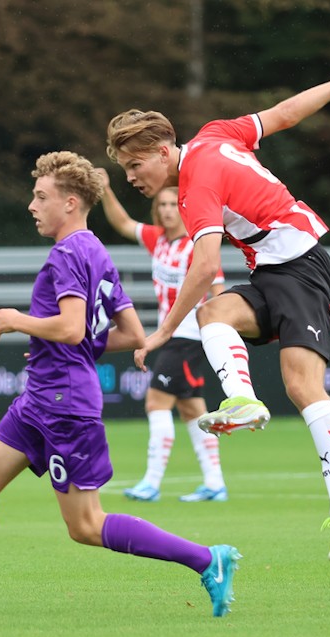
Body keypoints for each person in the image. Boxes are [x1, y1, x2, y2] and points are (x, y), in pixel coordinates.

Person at [0, 151, 241, 618]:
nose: (32, 205)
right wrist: (66, 347)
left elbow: (69, 328)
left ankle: (209, 559)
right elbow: (129, 334)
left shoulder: (67, 254)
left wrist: (20, 321)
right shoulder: (96, 252)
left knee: (86, 525)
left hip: (64, 405)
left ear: (70, 203)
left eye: (40, 196)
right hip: (41, 396)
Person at [106, 71, 330, 563]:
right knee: (215, 313)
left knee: (302, 386)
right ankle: (243, 400)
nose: (132, 176)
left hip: (304, 272)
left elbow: (204, 266)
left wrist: (160, 331)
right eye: (125, 169)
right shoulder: (215, 134)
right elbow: (285, 114)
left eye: (136, 165)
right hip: (273, 273)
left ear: (163, 150)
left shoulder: (194, 186)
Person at [97, 170, 228, 503]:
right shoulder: (159, 239)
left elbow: (218, 292)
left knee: (155, 401)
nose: (168, 209)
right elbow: (124, 224)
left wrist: (215, 334)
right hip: (172, 337)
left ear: (183, 208)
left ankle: (152, 482)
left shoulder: (198, 246)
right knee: (191, 410)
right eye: (163, 204)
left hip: (189, 336)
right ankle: (215, 482)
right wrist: (107, 190)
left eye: (174, 203)